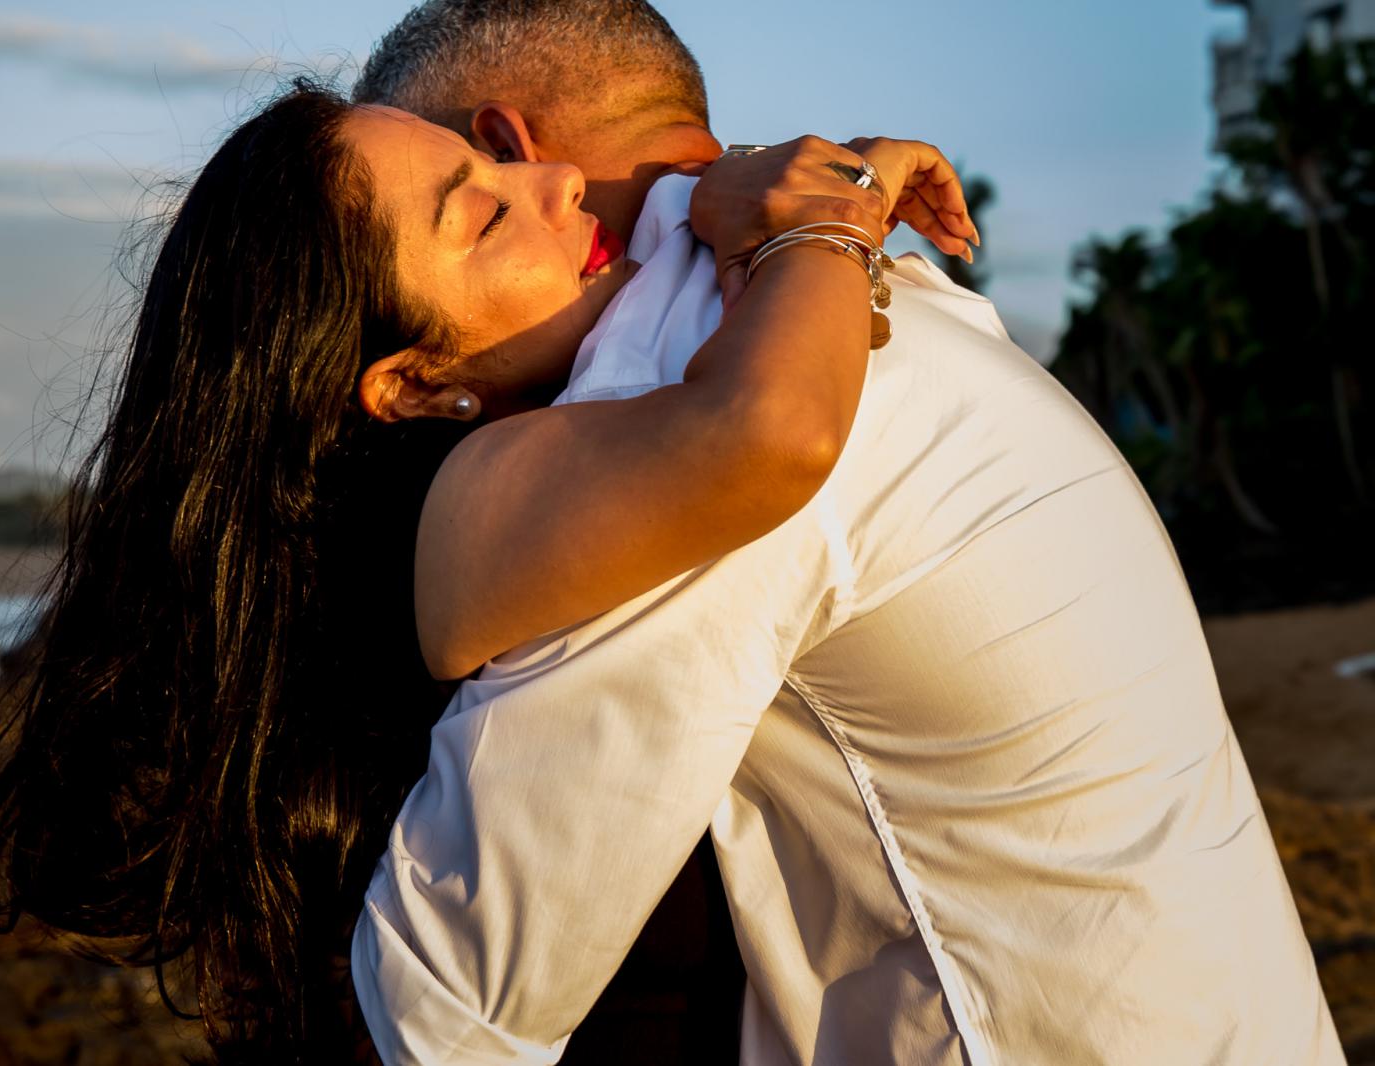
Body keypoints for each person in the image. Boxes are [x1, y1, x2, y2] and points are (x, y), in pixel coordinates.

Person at [0, 75, 956, 1063]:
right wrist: (820, 210)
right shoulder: (516, 504)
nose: (555, 186)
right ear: (405, 383)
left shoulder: (508, 511)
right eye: (484, 210)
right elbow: (770, 432)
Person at [346, 2, 1343, 1064]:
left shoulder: (676, 375)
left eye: (472, 184)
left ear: (506, 145)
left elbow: (445, 1016)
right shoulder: (890, 287)